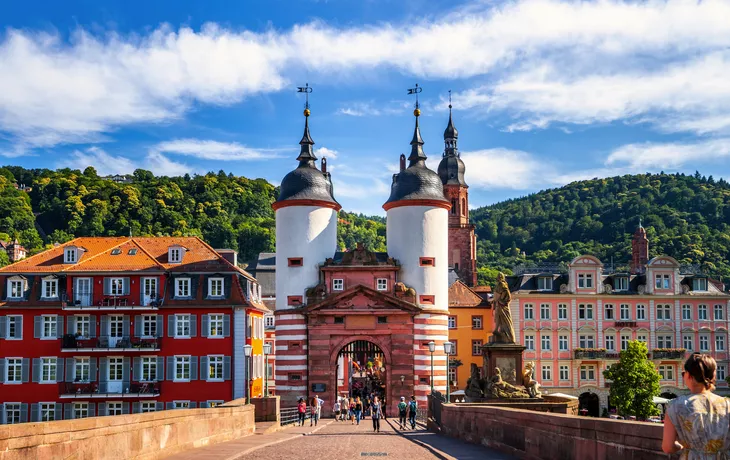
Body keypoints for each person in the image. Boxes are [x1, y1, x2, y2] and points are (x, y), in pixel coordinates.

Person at [663, 353, 730, 457]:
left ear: (689, 376)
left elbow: (668, 447)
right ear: (713, 376)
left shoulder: (675, 406)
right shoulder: (727, 404)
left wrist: (684, 446)